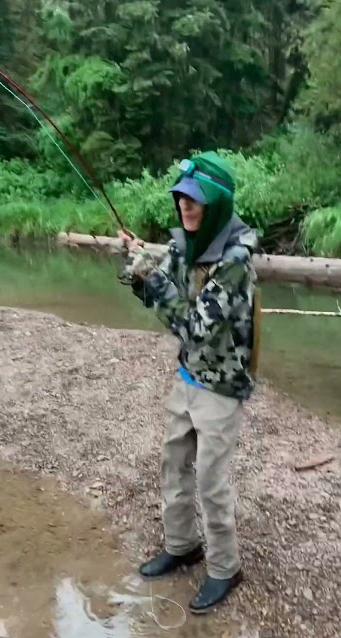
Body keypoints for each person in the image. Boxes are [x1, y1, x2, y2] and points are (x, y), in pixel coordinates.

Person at [118, 151, 261, 614]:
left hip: (221, 387)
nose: (185, 205)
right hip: (188, 375)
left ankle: (225, 568)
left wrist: (149, 280)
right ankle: (182, 546)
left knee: (211, 483)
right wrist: (143, 263)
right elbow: (167, 272)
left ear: (215, 203)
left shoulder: (236, 259)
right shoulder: (188, 243)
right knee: (173, 462)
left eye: (195, 200)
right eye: (181, 197)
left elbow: (195, 327)